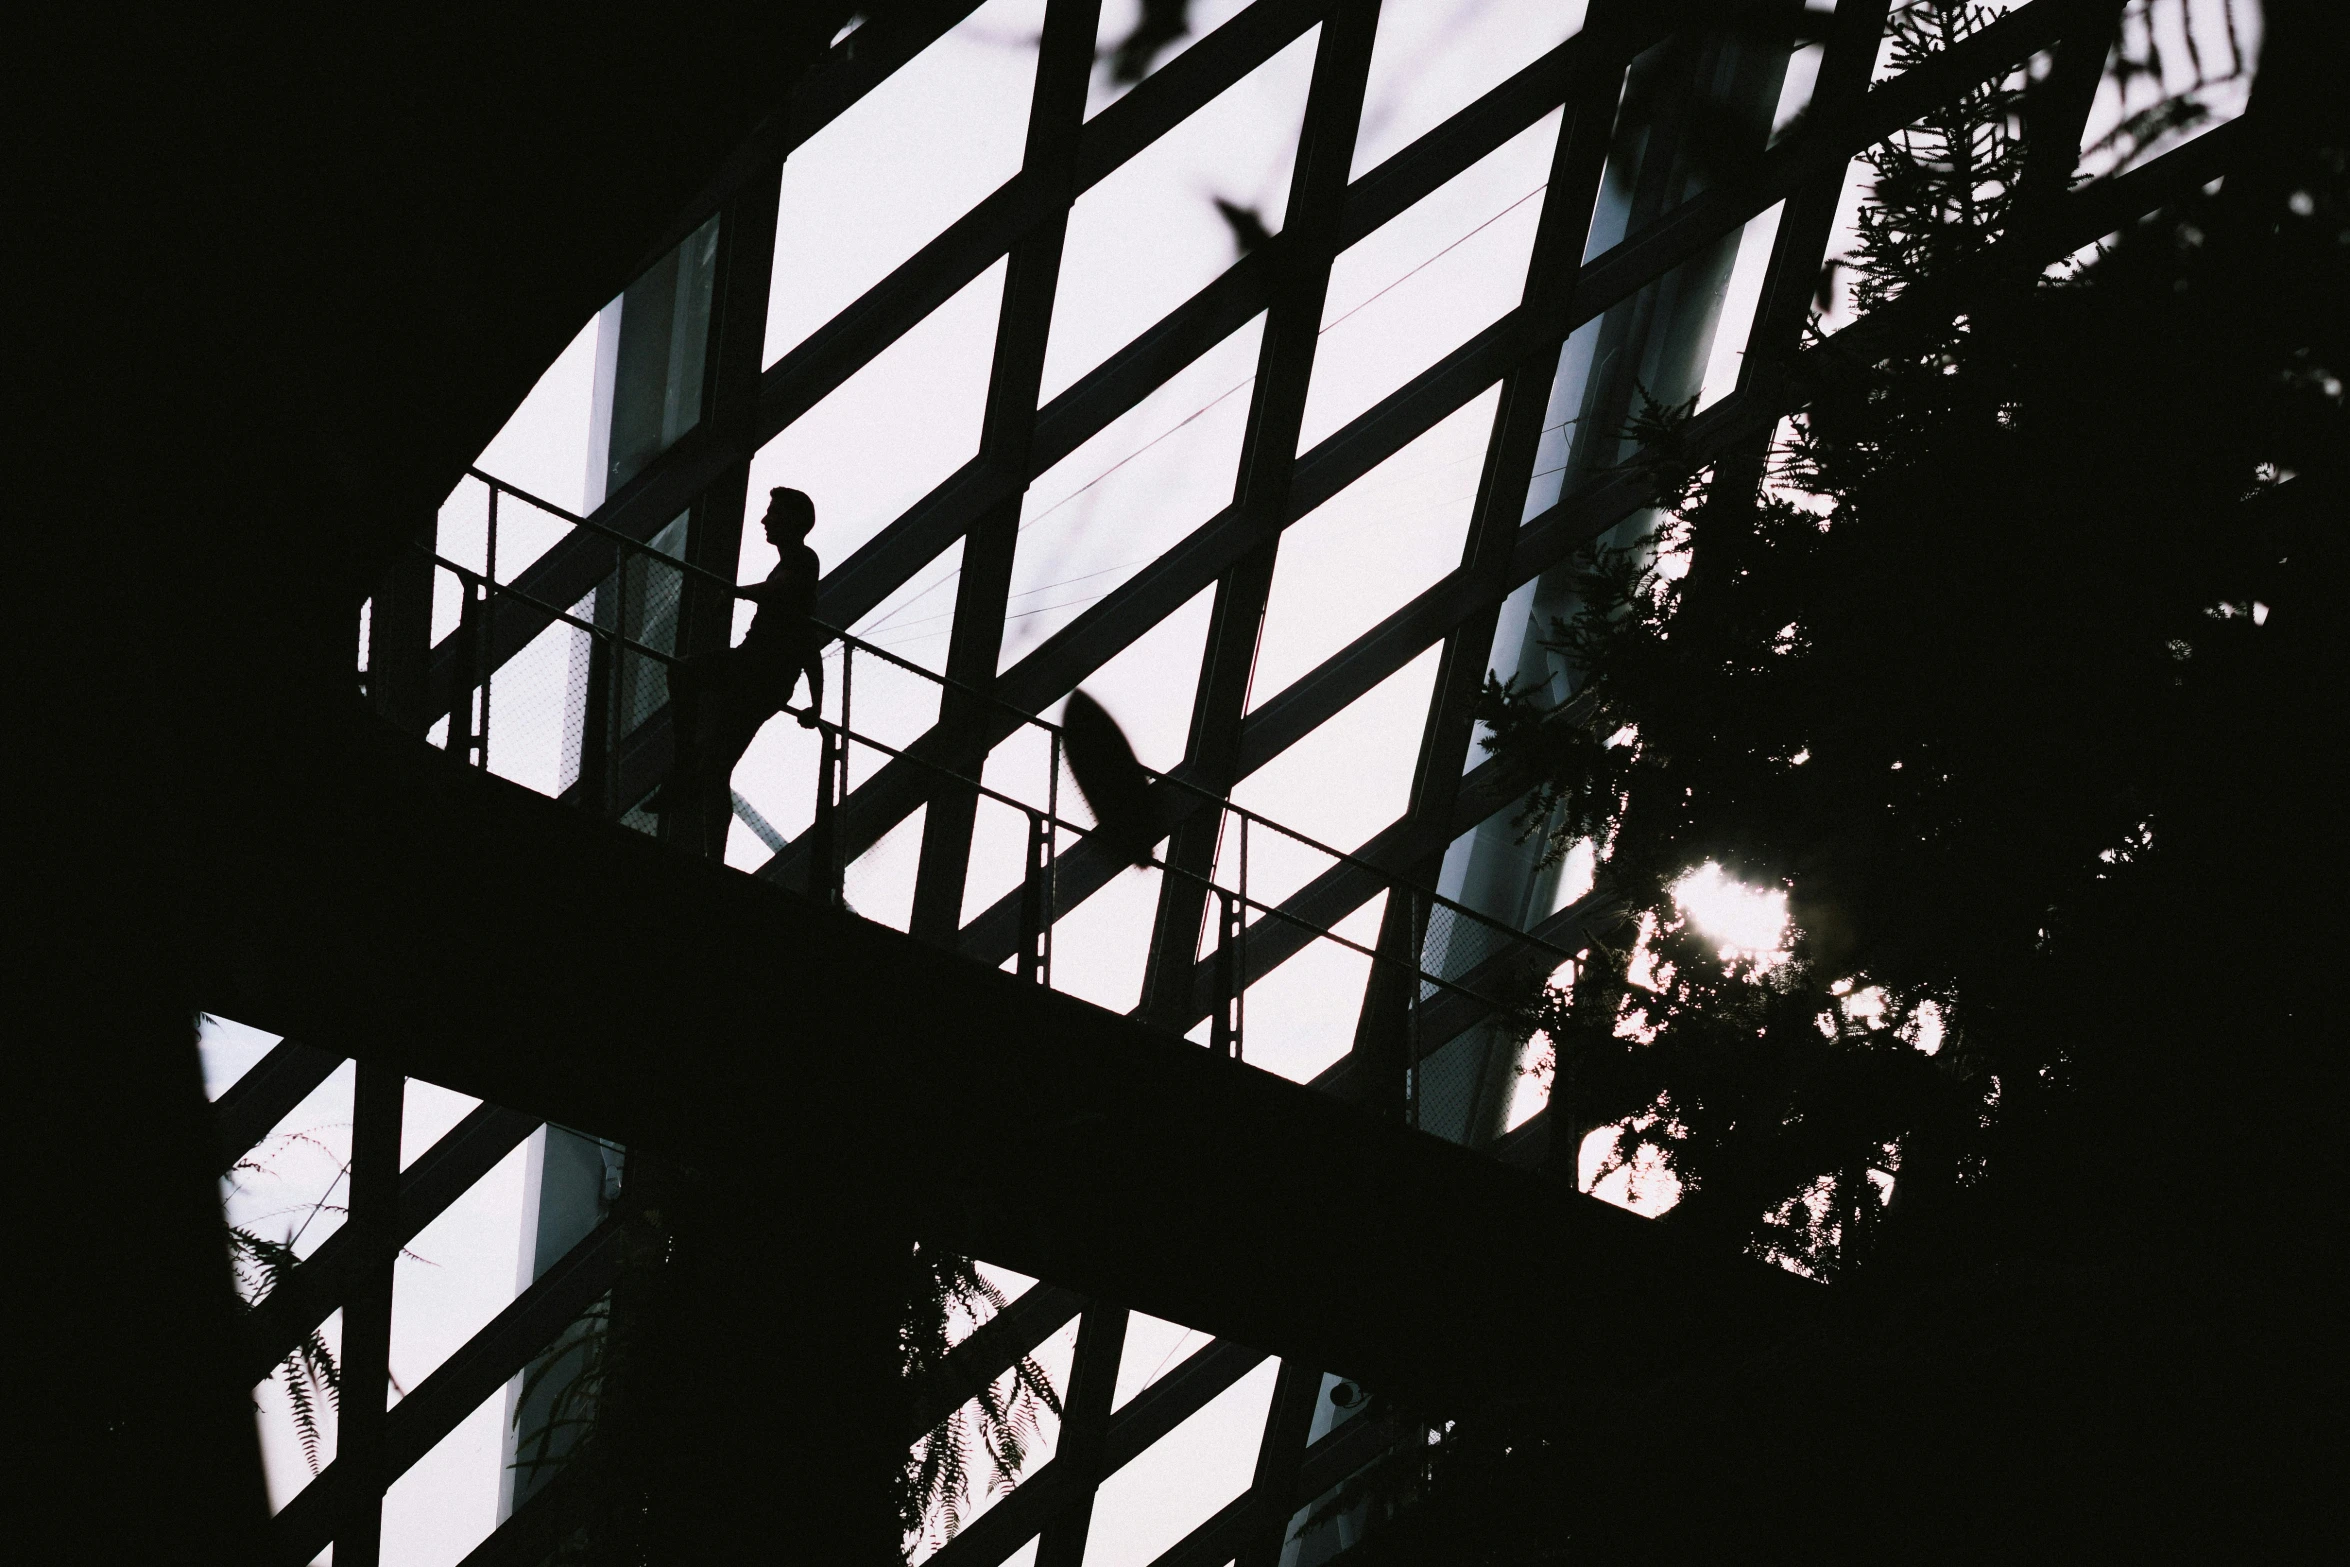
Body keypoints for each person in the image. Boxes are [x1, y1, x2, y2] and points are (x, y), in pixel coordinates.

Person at [646, 487, 826, 814]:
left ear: (792, 521)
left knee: (683, 672)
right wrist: (816, 701)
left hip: (755, 669)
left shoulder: (801, 562)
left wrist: (736, 593)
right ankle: (709, 843)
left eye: (773, 513)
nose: (764, 520)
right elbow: (807, 640)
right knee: (716, 768)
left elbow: (784, 596)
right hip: (768, 679)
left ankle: (683, 767)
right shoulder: (801, 566)